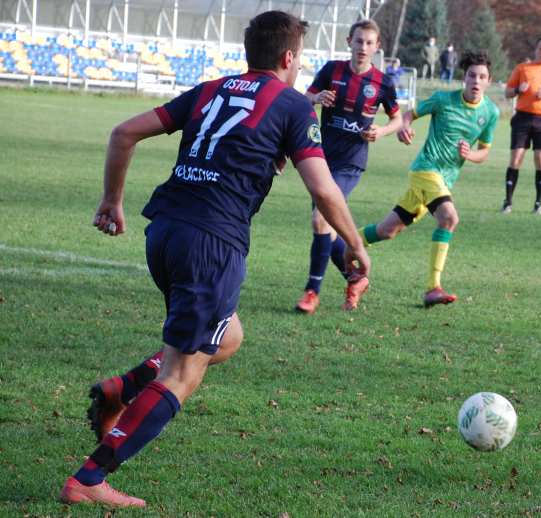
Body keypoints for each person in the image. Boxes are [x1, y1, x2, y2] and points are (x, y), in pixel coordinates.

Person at [59, 11, 370, 508]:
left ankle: (122, 388)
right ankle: (91, 477)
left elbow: (123, 133)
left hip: (164, 230)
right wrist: (356, 245)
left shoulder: (210, 89)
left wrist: (111, 201)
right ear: (289, 58)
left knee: (228, 338)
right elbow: (324, 188)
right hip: (212, 242)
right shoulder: (293, 106)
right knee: (183, 372)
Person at [357, 51, 499, 307]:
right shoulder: (443, 100)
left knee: (387, 231)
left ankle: (346, 241)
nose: (476, 81)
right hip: (425, 170)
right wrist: (405, 128)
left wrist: (471, 154)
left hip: (443, 181)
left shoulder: (491, 112)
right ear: (463, 78)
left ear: (489, 80)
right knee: (449, 218)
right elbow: (409, 115)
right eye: (471, 75)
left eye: (482, 77)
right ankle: (433, 287)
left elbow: (485, 152)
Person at [295, 19, 402, 314]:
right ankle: (355, 278)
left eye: (369, 43)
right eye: (358, 41)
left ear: (377, 47)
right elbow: (304, 99)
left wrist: (380, 131)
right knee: (327, 231)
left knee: (320, 219)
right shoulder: (332, 70)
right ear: (349, 42)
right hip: (320, 159)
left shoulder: (382, 82)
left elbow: (396, 118)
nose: (363, 48)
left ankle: (311, 291)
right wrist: (316, 98)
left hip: (350, 163)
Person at [500, 37, 541, 215]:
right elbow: (507, 92)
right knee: (516, 158)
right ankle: (508, 202)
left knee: (540, 159)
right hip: (522, 118)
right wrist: (519, 89)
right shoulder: (522, 68)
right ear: (536, 50)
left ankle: (538, 203)